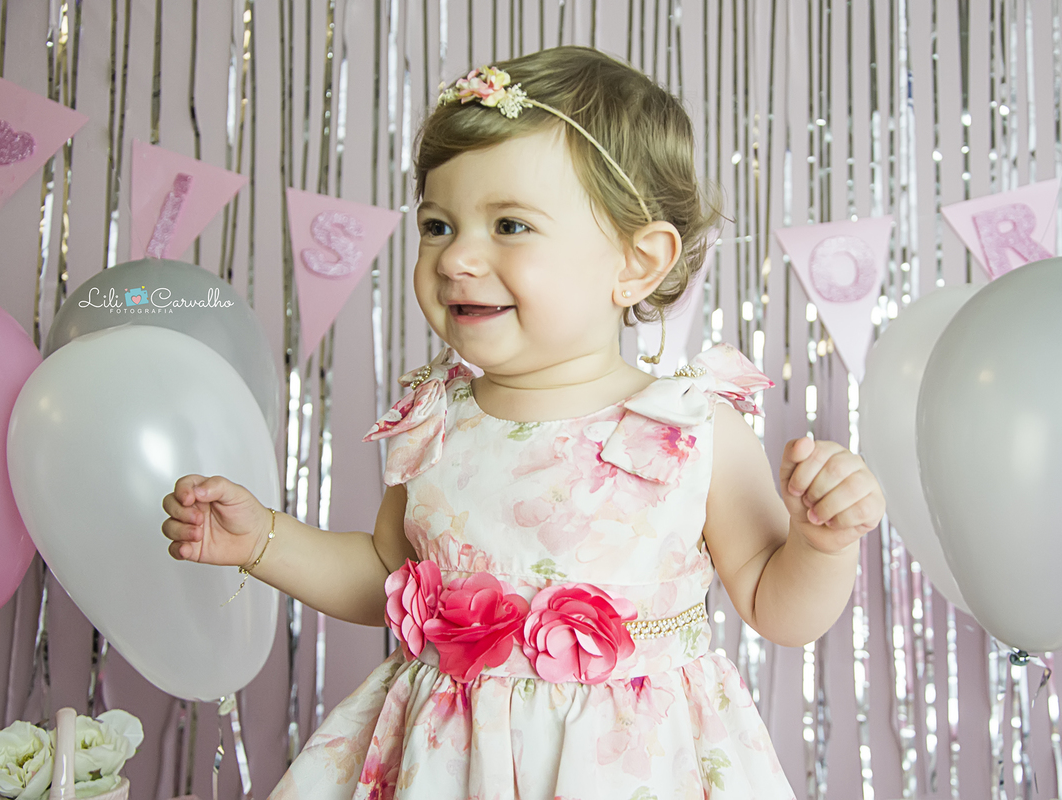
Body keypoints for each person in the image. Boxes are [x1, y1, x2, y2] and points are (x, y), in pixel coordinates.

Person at [162, 45, 885, 800]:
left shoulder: (687, 431)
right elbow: (384, 576)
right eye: (438, 225)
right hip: (447, 766)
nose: (457, 258)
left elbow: (779, 605)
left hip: (631, 768)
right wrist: (265, 542)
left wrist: (821, 545)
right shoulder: (435, 422)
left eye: (509, 224)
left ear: (637, 263)